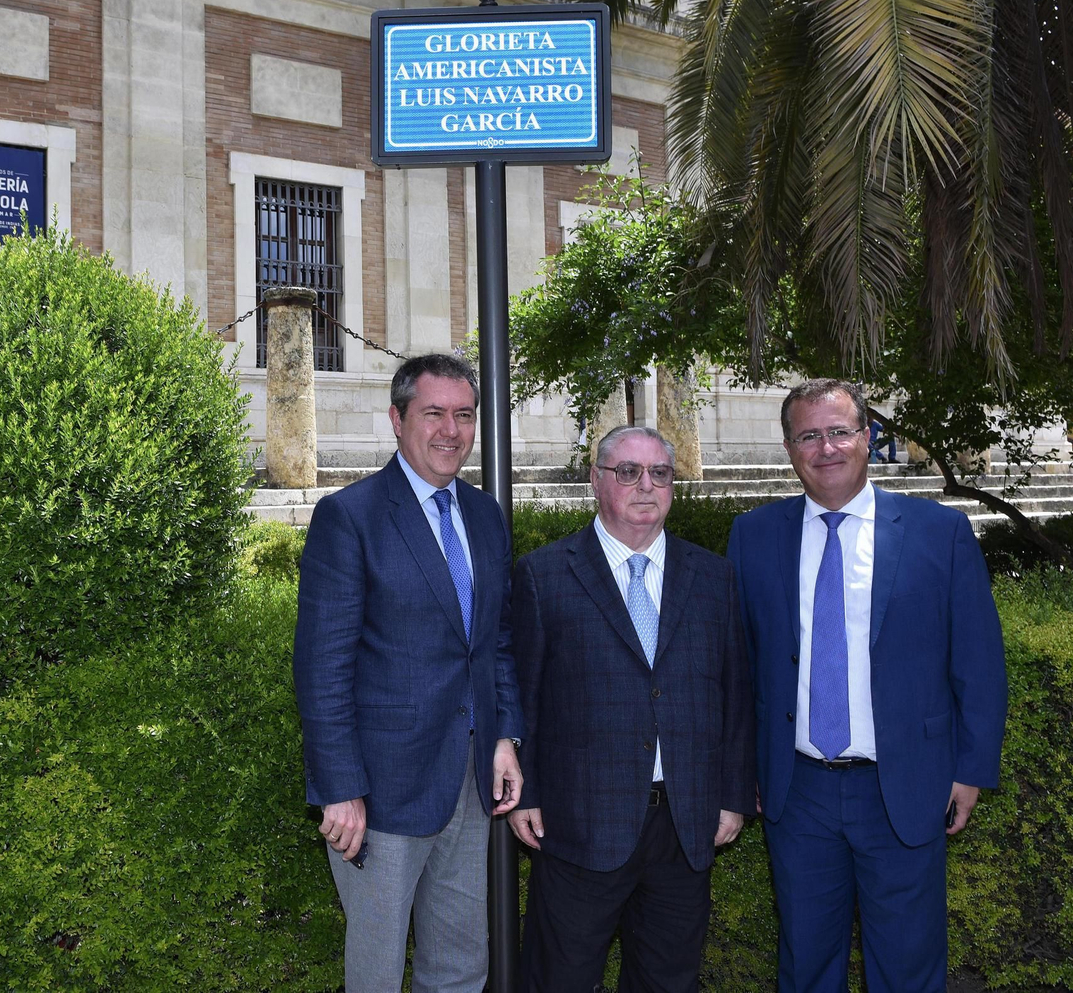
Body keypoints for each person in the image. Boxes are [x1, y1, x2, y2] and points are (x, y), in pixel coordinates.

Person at [725, 379, 1008, 993]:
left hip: (904, 784)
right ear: (789, 447)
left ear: (868, 437)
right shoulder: (753, 536)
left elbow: (979, 662)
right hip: (796, 792)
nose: (825, 447)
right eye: (808, 435)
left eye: (839, 431)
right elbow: (739, 665)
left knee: (908, 966)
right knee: (805, 965)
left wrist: (970, 769)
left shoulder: (940, 532)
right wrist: (741, 765)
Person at [293, 352, 525, 993]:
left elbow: (496, 642)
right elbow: (322, 669)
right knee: (375, 974)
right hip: (382, 792)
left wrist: (505, 736)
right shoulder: (351, 518)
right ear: (397, 420)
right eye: (433, 414)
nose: (451, 430)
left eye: (464, 415)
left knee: (458, 967)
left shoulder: (485, 516)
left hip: (472, 783)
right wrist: (340, 787)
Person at [510, 425, 756, 993]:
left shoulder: (714, 577)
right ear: (597, 481)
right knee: (559, 980)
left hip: (685, 824)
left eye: (660, 474)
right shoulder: (545, 575)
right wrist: (530, 793)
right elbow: (524, 695)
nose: (645, 485)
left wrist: (734, 797)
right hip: (577, 824)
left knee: (669, 981)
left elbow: (737, 696)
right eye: (628, 472)